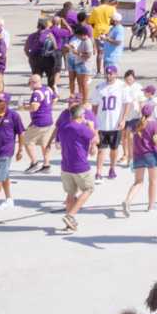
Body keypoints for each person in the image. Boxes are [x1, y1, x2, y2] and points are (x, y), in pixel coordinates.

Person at [56, 98, 97, 231]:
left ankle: (69, 224)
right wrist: (90, 126)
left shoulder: (63, 127)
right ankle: (71, 215)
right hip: (80, 165)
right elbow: (95, 139)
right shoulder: (81, 128)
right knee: (89, 189)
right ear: (81, 115)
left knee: (70, 193)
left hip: (65, 165)